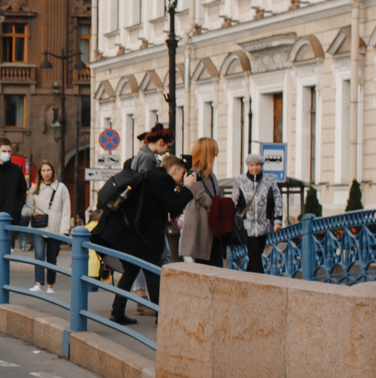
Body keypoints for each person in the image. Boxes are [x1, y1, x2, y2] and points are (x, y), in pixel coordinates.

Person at [88, 145, 185, 324]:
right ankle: (160, 317)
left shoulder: (154, 177)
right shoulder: (160, 179)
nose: (182, 180)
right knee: (152, 272)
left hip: (133, 234)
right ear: (174, 169)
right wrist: (188, 190)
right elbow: (174, 206)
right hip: (144, 237)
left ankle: (117, 313)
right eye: (182, 174)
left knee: (131, 271)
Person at [176, 137, 229, 267]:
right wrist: (218, 207)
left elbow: (217, 194)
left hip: (213, 225)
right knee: (203, 264)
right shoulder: (193, 172)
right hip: (200, 224)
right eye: (213, 154)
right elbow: (200, 195)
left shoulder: (211, 175)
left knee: (216, 263)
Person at [233, 153, 286, 275]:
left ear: (261, 166)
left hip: (264, 225)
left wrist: (277, 220)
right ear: (248, 166)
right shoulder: (240, 181)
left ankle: (245, 282)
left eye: (257, 165)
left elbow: (278, 199)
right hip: (247, 226)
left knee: (254, 259)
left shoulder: (269, 180)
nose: (254, 168)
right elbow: (234, 201)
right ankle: (262, 283)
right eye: (251, 165)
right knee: (256, 260)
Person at [27, 160, 72, 288]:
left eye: (48, 170)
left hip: (55, 228)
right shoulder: (34, 188)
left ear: (52, 172)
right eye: (43, 170)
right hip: (39, 227)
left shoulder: (61, 188)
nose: (46, 173)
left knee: (52, 257)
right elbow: (29, 207)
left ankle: (50, 284)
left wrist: (64, 230)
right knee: (39, 255)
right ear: (40, 173)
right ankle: (38, 283)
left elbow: (66, 210)